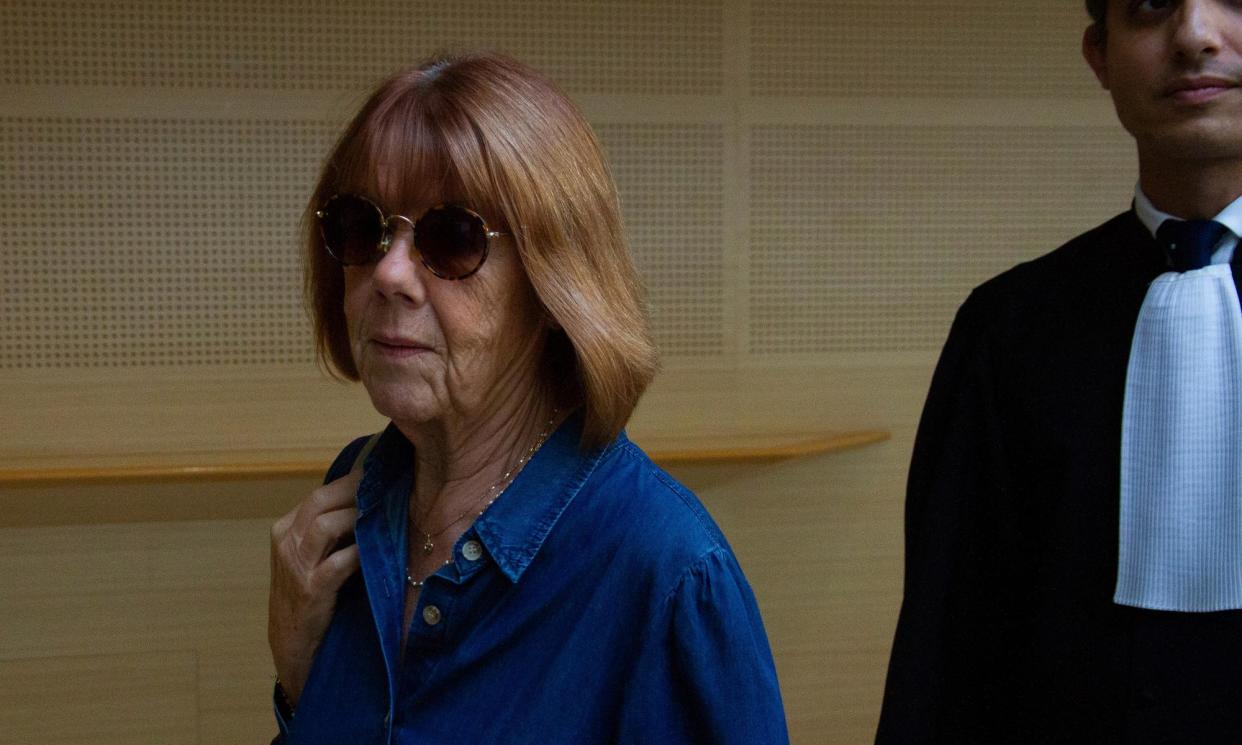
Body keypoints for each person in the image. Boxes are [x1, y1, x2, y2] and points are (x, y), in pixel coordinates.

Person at [265, 53, 788, 744]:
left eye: (451, 239)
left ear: (551, 288)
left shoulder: (666, 577)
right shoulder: (357, 496)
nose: (389, 272)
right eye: (365, 228)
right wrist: (299, 678)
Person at [876, 1, 1242, 743]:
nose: (1197, 35)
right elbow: (947, 649)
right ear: (1099, 55)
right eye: (1149, 6)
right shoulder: (1008, 329)